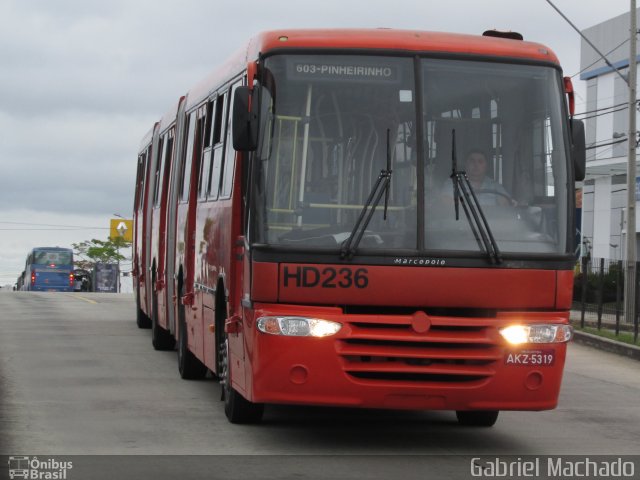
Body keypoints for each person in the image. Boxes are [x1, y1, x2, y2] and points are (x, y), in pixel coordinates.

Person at [443, 149, 514, 207]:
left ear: (486, 166)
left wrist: (507, 203)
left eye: (480, 162)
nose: (476, 165)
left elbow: (508, 204)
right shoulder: (454, 183)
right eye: (472, 161)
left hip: (491, 223)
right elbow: (444, 202)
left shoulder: (494, 186)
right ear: (466, 164)